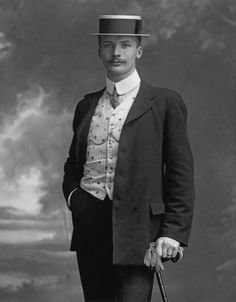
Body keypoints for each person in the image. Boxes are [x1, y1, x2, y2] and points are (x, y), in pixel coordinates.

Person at [62, 15, 195, 302]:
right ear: (99, 50)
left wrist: (172, 232)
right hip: (90, 229)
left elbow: (180, 174)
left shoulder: (165, 103)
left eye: (125, 44)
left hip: (139, 233)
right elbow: (72, 166)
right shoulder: (86, 105)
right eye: (108, 45)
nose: (116, 52)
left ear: (139, 50)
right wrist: (76, 199)